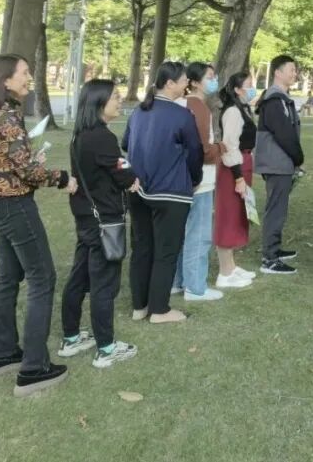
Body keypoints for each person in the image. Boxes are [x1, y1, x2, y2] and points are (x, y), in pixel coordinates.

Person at [0, 54, 77, 396]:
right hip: (14, 206)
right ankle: (33, 369)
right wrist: (62, 178)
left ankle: (1, 354)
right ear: (5, 79)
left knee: (8, 276)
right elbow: (28, 172)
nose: (29, 77)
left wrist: (29, 162)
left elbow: (5, 162)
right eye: (24, 73)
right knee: (42, 277)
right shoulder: (6, 116)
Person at [60, 79, 139, 368]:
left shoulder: (80, 136)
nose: (120, 100)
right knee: (103, 283)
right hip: (103, 220)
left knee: (79, 277)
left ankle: (71, 338)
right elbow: (122, 170)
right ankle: (106, 348)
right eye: (115, 96)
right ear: (99, 102)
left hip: (86, 218)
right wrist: (132, 179)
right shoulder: (102, 137)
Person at [123, 61, 203, 324]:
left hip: (138, 189)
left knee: (142, 247)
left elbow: (126, 143)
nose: (187, 84)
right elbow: (195, 153)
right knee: (166, 252)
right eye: (183, 80)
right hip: (170, 192)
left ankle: (140, 306)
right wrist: (194, 179)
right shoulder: (182, 115)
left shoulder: (138, 112)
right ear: (169, 83)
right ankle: (159, 309)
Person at [173, 63, 226, 302]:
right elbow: (203, 150)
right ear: (194, 82)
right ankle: (195, 286)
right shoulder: (199, 108)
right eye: (210, 77)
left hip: (180, 179)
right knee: (199, 234)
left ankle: (177, 281)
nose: (214, 81)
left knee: (181, 233)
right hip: (200, 180)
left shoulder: (179, 104)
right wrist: (220, 147)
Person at [254, 54, 303, 274]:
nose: (295, 74)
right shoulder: (274, 100)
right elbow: (283, 133)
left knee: (279, 208)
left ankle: (274, 248)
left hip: (281, 163)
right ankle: (270, 258)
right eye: (291, 70)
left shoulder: (281, 98)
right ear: (277, 72)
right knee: (275, 209)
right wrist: (298, 157)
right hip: (276, 163)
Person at [214, 71, 259, 288]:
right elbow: (230, 145)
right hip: (234, 167)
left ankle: (231, 266)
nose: (252, 88)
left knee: (238, 214)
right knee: (228, 216)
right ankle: (224, 272)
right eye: (248, 85)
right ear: (238, 89)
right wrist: (238, 177)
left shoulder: (243, 109)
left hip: (244, 162)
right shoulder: (232, 111)